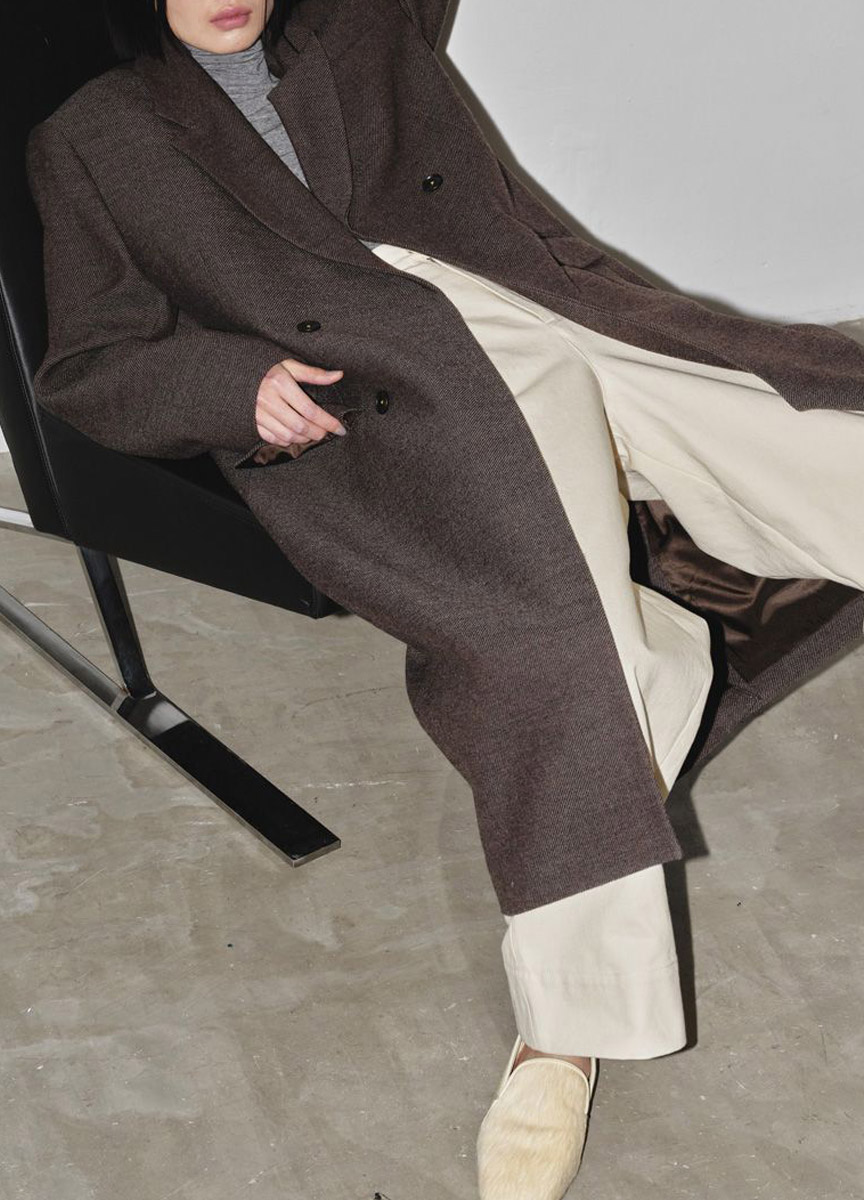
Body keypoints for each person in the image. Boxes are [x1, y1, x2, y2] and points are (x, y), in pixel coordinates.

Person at [24, 1, 864, 1196]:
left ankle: (650, 657)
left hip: (563, 321)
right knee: (559, 655)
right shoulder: (96, 135)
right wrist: (231, 382)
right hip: (396, 406)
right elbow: (89, 365)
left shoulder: (366, 26)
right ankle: (563, 1033)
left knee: (826, 445)